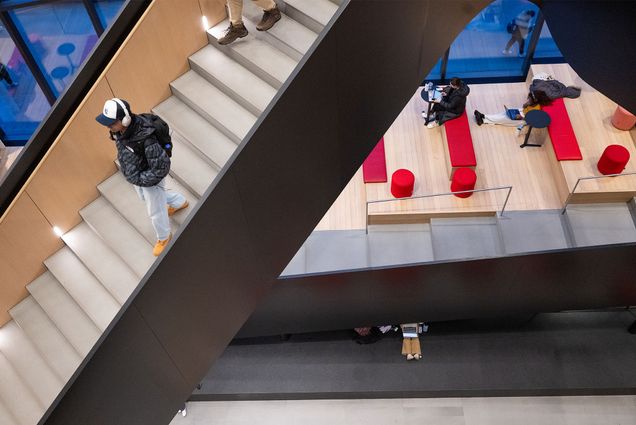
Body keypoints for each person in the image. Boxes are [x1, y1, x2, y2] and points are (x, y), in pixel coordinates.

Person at [96, 98, 189, 256]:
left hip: (149, 179)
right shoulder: (120, 131)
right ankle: (179, 202)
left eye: (111, 123)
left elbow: (161, 167)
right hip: (137, 175)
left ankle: (164, 237)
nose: (108, 127)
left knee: (155, 210)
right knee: (144, 197)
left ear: (124, 119)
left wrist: (142, 180)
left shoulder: (146, 138)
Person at [473, 89, 552, 135]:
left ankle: (483, 120)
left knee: (505, 118)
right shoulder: (531, 103)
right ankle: (484, 116)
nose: (528, 99)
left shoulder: (536, 109)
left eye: (530, 99)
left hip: (523, 120)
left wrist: (521, 117)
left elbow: (530, 120)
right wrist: (526, 104)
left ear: (535, 101)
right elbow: (524, 107)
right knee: (504, 113)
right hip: (521, 112)